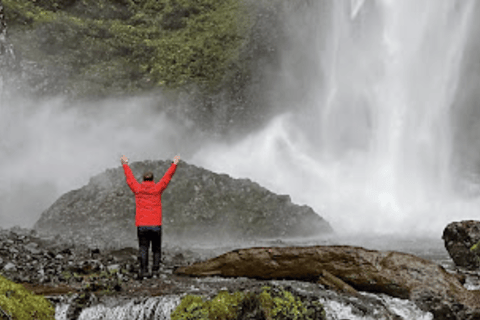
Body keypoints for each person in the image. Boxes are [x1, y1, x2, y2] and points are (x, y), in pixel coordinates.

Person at [120, 154, 180, 279]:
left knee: (143, 248)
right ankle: (156, 271)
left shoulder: (137, 189)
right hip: (155, 224)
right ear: (153, 179)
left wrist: (125, 164)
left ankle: (144, 271)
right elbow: (167, 177)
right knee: (156, 249)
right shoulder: (157, 188)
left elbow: (130, 178)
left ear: (143, 179)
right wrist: (174, 163)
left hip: (142, 225)